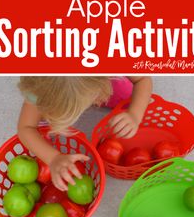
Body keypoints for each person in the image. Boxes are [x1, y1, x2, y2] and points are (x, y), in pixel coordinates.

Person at [17, 76, 152, 190]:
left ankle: (107, 89)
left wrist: (135, 113)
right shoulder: (40, 87)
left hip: (105, 79)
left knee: (130, 94)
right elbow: (26, 128)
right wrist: (53, 158)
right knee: (39, 119)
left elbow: (143, 79)